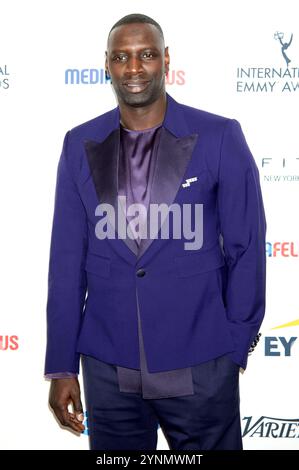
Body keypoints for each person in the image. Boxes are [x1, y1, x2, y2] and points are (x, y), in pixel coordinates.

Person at [44, 13, 267, 450]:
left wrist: (233, 346)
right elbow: (66, 262)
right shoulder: (79, 143)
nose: (134, 68)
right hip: (109, 370)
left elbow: (247, 249)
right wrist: (62, 365)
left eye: (146, 55)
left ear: (165, 60)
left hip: (201, 364)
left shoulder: (220, 136)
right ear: (107, 64)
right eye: (122, 57)